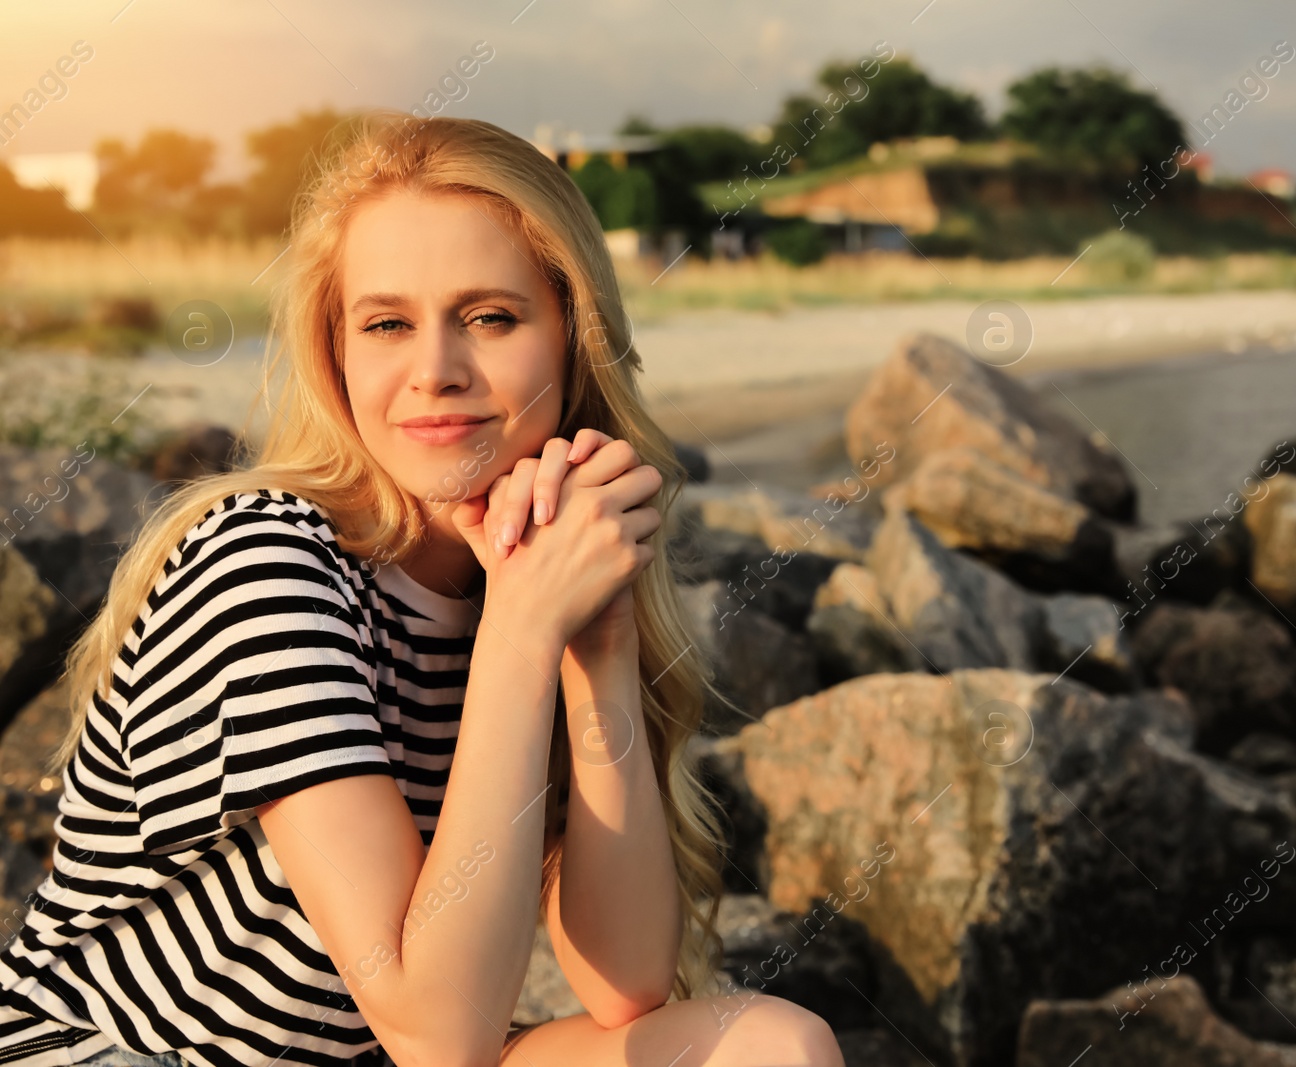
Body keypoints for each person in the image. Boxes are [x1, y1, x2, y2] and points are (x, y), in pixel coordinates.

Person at [0, 111, 844, 1067]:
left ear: (574, 337)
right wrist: (522, 640)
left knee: (767, 1045)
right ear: (339, 352)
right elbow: (440, 1038)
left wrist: (594, 648)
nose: (435, 372)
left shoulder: (529, 575)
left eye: (490, 317)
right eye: (388, 323)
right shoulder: (269, 563)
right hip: (107, 1055)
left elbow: (625, 982)